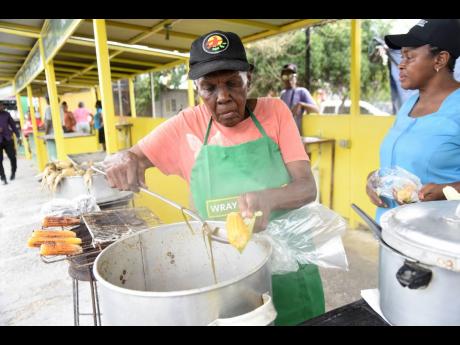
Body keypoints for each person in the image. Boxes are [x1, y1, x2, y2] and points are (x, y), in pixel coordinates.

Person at [104, 30, 324, 325]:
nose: (223, 98)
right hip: (228, 275)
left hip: (289, 265)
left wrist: (270, 197)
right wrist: (124, 160)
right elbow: (132, 156)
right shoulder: (186, 124)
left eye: (233, 83)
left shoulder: (276, 113)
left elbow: (306, 187)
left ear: (250, 78)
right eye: (209, 88)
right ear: (197, 89)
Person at [366, 19, 460, 223]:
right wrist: (374, 180)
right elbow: (398, 162)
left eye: (409, 57)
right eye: (402, 56)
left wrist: (448, 190)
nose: (401, 64)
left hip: (436, 239)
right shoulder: (409, 105)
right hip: (391, 231)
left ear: (440, 60)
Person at [280, 63, 320, 134]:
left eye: (291, 76)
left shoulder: (302, 91)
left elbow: (316, 109)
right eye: (285, 76)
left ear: (296, 77)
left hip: (296, 136)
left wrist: (301, 104)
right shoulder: (283, 94)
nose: (288, 79)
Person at [0, 101, 22, 184]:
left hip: (8, 138)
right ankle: (3, 177)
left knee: (12, 157)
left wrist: (18, 136)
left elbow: (13, 125)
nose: (2, 107)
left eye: (2, 105)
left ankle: (13, 172)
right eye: (0, 106)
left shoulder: (6, 114)